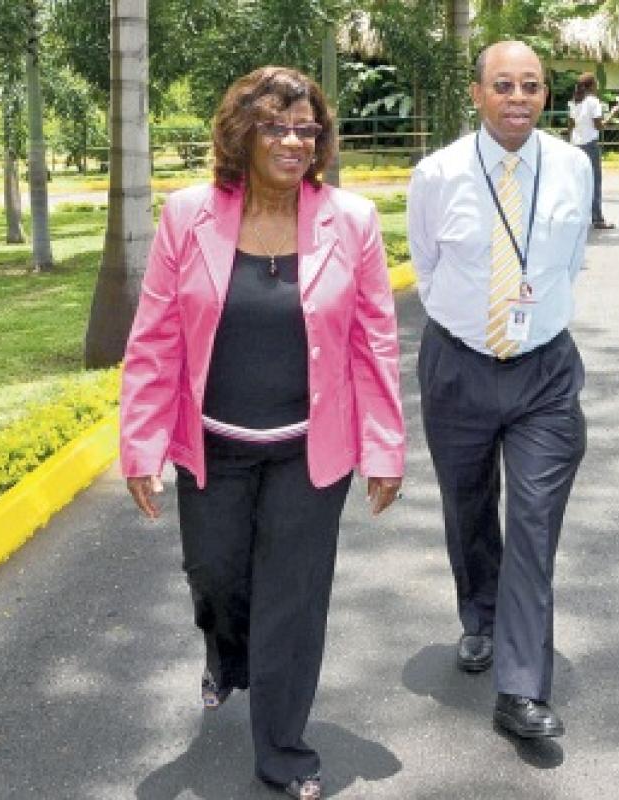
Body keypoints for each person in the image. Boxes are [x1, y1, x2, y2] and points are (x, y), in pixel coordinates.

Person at [119, 66, 405, 800]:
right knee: (215, 579)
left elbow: (374, 342)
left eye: (306, 128)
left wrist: (384, 448)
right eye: (276, 126)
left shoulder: (353, 221)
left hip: (310, 452)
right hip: (213, 446)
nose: (293, 141)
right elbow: (155, 338)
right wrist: (142, 445)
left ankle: (283, 749)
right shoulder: (188, 215)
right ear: (242, 134)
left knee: (294, 601)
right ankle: (227, 651)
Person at [407, 41, 592, 739]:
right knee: (468, 504)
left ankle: (520, 689)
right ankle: (480, 615)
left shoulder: (573, 167)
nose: (519, 98)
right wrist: (472, 324)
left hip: (545, 372)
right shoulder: (437, 174)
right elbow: (427, 266)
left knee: (535, 524)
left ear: (546, 95)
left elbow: (571, 261)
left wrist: (529, 320)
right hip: (457, 364)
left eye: (532, 86)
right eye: (504, 85)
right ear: (478, 94)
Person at [567, 71, 619, 229]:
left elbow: (570, 125)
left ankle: (575, 218)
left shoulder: (574, 101)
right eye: (596, 83)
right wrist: (614, 112)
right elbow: (599, 126)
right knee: (594, 181)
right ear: (591, 85)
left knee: (578, 182)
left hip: (575, 145)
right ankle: (597, 218)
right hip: (589, 145)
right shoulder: (593, 102)